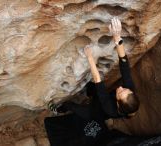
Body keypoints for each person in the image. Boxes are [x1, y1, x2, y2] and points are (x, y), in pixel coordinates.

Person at [44, 17, 140, 146]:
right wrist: (117, 39)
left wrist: (90, 57)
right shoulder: (129, 94)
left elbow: (98, 80)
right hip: (107, 102)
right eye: (125, 90)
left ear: (118, 104)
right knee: (91, 89)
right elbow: (124, 64)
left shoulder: (110, 108)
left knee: (72, 106)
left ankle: (59, 110)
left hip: (96, 112)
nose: (121, 88)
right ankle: (87, 93)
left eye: (120, 93)